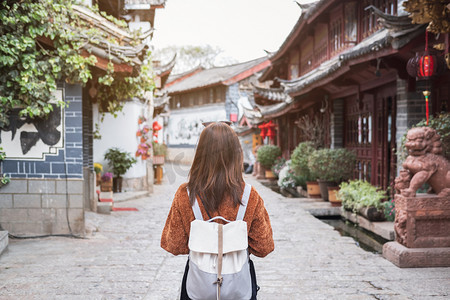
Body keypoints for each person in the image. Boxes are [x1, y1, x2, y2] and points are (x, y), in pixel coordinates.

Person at [161, 122, 274, 299]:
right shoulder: (250, 196)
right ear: (236, 154)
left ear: (200, 154)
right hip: (238, 287)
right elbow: (264, 247)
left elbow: (174, 245)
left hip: (198, 286)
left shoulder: (185, 195)